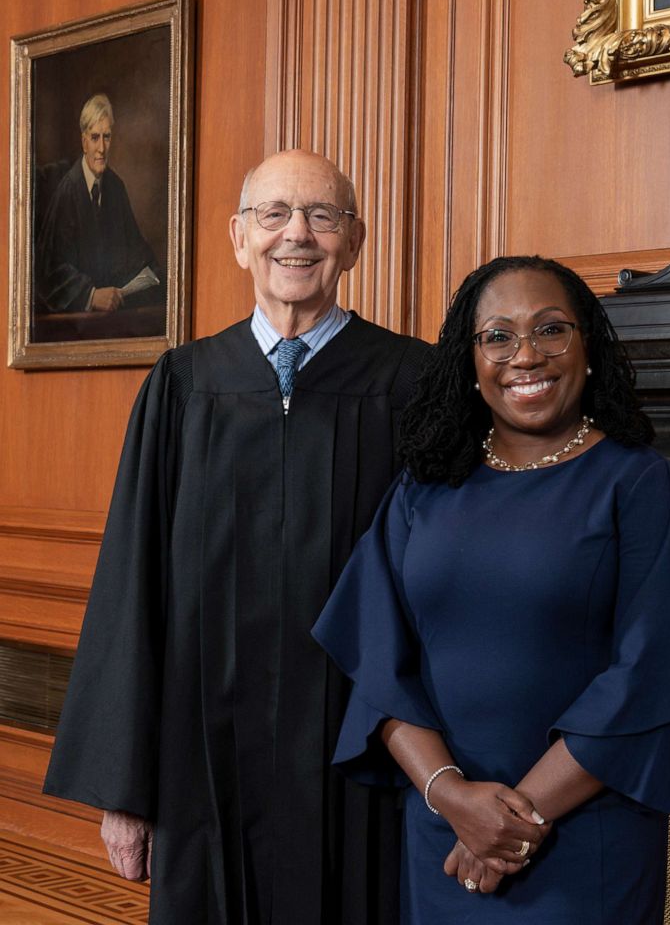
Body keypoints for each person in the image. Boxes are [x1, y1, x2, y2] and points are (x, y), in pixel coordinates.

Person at [44, 149, 429, 925]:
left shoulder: (412, 385)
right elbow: (131, 588)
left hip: (362, 756)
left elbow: (449, 590)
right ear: (239, 237)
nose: (298, 235)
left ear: (354, 241)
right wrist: (125, 791)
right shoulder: (184, 386)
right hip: (203, 760)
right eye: (275, 214)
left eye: (323, 216)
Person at [313, 255, 670, 924]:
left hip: (582, 832)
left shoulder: (637, 484)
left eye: (550, 331)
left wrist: (518, 819)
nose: (525, 356)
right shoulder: (421, 490)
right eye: (498, 336)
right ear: (470, 359)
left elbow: (648, 673)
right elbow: (376, 663)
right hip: (442, 829)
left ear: (587, 349)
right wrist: (450, 794)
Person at [36, 93, 160, 313]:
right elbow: (50, 270)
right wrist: (91, 295)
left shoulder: (116, 188)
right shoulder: (68, 191)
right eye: (95, 138)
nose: (101, 148)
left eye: (107, 137)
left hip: (113, 315)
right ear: (84, 142)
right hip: (74, 323)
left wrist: (152, 273)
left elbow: (135, 252)